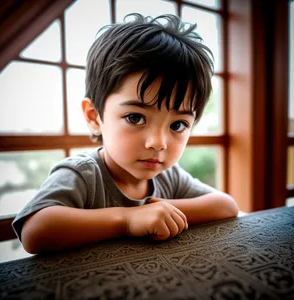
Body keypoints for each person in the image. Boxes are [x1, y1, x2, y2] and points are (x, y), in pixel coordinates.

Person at [12, 14, 238, 254]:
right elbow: (35, 232)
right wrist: (128, 220)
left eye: (178, 125)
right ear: (94, 117)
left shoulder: (169, 177)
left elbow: (226, 205)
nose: (158, 143)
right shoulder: (84, 175)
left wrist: (162, 210)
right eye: (135, 117)